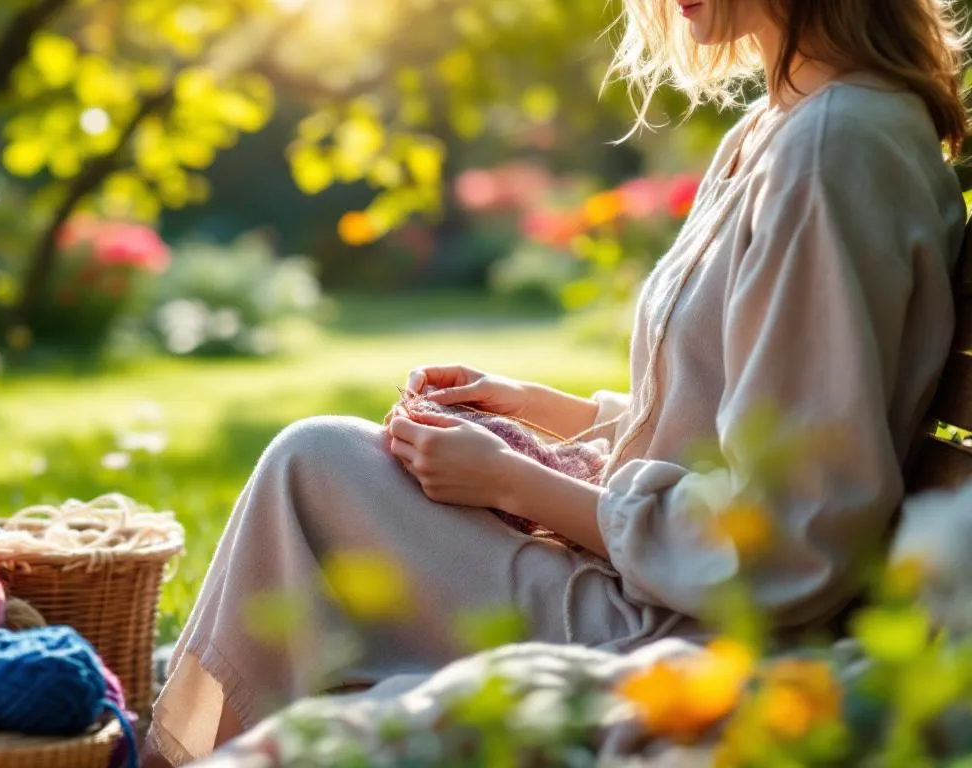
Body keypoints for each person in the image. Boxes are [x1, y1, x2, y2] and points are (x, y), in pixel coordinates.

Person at [146, 0, 970, 763]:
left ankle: (181, 754)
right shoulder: (782, 125)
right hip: (660, 581)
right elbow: (730, 422)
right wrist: (551, 414)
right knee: (316, 464)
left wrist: (516, 481)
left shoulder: (834, 149)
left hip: (694, 634)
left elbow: (796, 538)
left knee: (311, 471)